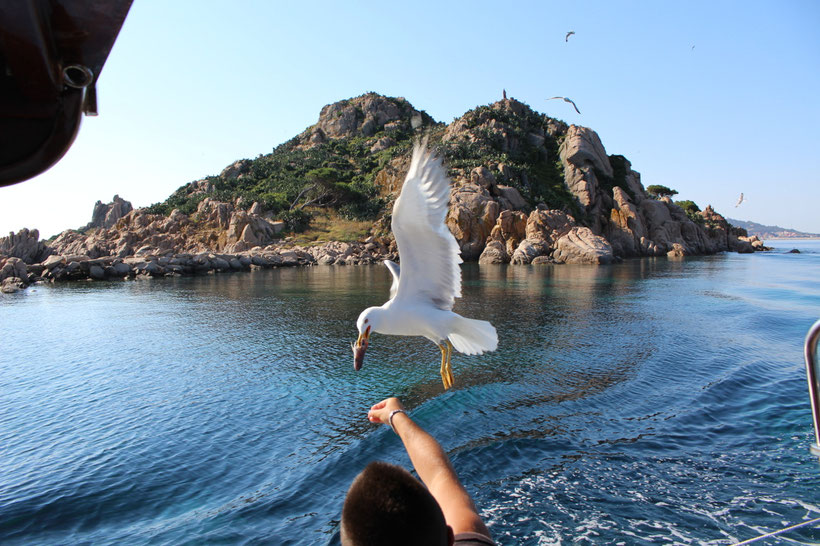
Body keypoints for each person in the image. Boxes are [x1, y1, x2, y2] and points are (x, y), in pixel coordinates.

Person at [341, 397, 495, 546]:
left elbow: (438, 475)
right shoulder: (470, 534)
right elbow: (437, 474)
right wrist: (395, 415)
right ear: (450, 537)